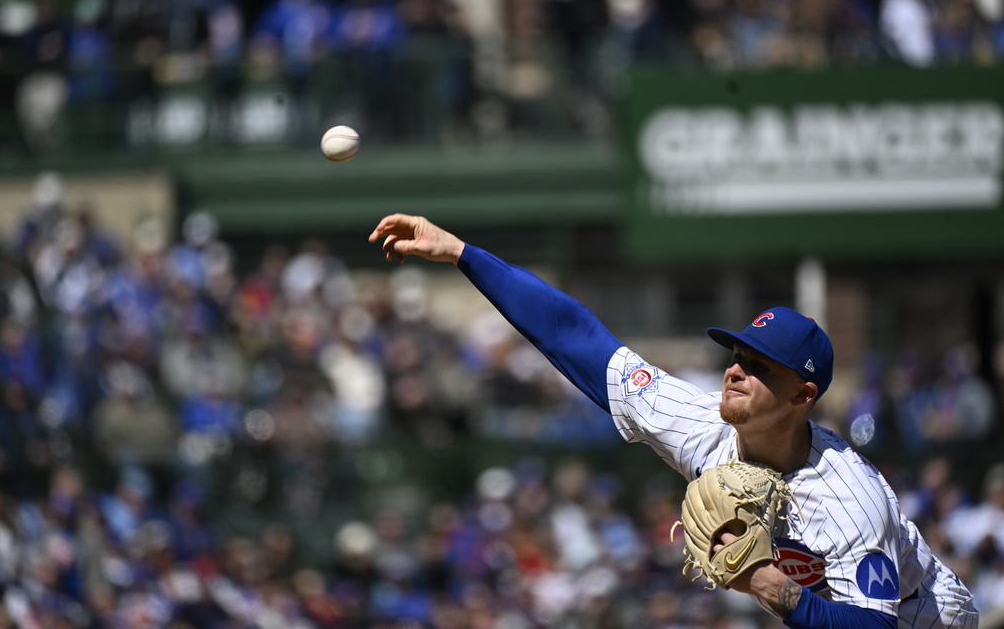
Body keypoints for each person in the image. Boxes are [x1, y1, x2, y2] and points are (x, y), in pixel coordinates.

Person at [368, 214, 978, 628]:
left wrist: (773, 587)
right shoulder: (700, 425)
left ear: (803, 394)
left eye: (759, 367)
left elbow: (876, 627)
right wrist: (461, 253)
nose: (735, 372)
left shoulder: (850, 497)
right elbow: (577, 337)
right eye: (736, 357)